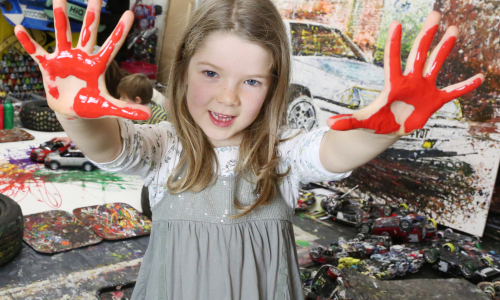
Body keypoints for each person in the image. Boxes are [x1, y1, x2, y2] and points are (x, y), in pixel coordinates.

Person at [15, 0, 484, 298]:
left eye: (252, 81)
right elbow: (109, 145)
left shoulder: (280, 152)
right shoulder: (164, 149)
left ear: (274, 86)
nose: (228, 98)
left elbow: (335, 152)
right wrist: (73, 114)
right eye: (211, 73)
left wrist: (387, 128)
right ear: (182, 68)